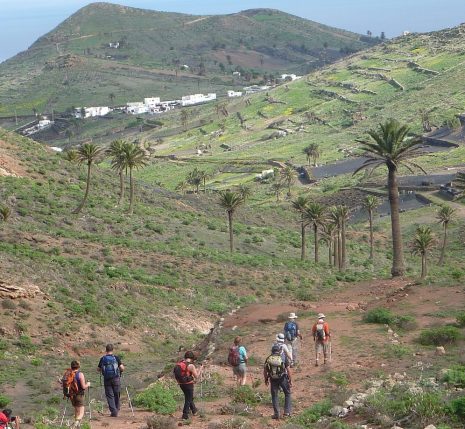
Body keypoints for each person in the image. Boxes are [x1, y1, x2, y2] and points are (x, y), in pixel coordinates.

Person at [264, 344, 292, 419]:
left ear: (272, 351)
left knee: (274, 396)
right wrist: (290, 379)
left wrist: (266, 379)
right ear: (279, 350)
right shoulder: (283, 357)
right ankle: (287, 413)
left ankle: (277, 414)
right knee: (287, 393)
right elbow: (288, 370)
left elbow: (265, 370)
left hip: (273, 379)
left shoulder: (268, 358)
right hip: (282, 378)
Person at [174, 351, 203, 420]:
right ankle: (185, 415)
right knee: (188, 399)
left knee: (189, 397)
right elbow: (196, 376)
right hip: (188, 384)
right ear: (192, 357)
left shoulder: (180, 363)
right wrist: (201, 369)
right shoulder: (191, 365)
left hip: (181, 384)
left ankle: (194, 411)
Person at [98, 344, 124, 417]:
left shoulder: (103, 358)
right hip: (116, 378)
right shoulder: (116, 358)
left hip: (107, 379)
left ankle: (113, 411)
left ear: (106, 350)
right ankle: (117, 408)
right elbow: (122, 368)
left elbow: (98, 369)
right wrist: (120, 370)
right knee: (117, 393)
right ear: (112, 350)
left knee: (109, 395)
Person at [67, 360, 91, 428]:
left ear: (71, 366)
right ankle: (75, 424)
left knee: (76, 411)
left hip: (71, 395)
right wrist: (88, 384)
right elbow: (83, 387)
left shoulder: (68, 373)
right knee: (81, 413)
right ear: (78, 366)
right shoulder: (80, 374)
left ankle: (77, 427)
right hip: (79, 395)